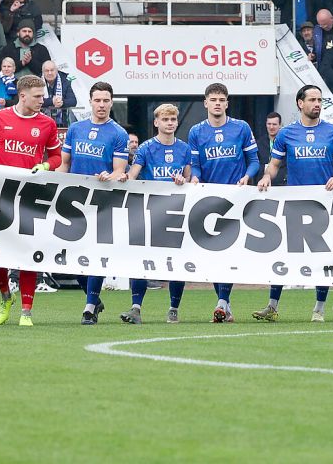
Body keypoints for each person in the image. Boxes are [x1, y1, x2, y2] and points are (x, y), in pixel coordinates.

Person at [0, 74, 62, 326]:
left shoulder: (47, 124)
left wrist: (45, 164)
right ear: (22, 96)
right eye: (37, 96)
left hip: (31, 197)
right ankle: (5, 296)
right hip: (0, 195)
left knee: (27, 253)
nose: (42, 100)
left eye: (42, 96)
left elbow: (56, 157)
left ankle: (26, 311)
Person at [254, 85, 333, 322]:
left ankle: (319, 308)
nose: (317, 104)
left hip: (324, 204)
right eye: (313, 100)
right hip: (294, 202)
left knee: (321, 256)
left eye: (320, 100)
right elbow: (274, 165)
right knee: (284, 254)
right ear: (300, 103)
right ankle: (272, 306)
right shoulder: (286, 134)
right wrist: (267, 176)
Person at [57, 82, 130, 326]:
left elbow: (120, 171)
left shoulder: (118, 133)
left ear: (111, 102)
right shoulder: (76, 129)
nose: (101, 105)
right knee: (70, 260)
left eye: (105, 100)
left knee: (96, 254)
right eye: (97, 100)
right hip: (74, 202)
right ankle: (93, 297)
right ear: (90, 102)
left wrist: (110, 176)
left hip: (102, 203)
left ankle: (90, 307)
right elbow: (64, 165)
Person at [188, 83, 260, 322]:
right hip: (209, 200)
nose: (217, 103)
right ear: (205, 103)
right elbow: (196, 164)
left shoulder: (241, 128)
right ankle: (225, 307)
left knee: (228, 252)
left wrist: (248, 176)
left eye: (222, 99)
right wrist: (196, 176)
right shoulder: (196, 131)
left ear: (227, 103)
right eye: (213, 99)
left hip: (236, 199)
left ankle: (221, 302)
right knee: (214, 255)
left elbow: (254, 161)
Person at [118, 103, 191, 325]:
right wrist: (124, 178)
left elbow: (190, 179)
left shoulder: (184, 149)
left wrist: (183, 181)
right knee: (141, 260)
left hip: (175, 214)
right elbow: (133, 175)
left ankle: (173, 309)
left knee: (177, 262)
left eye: (173, 120)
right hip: (149, 213)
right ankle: (136, 308)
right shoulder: (146, 148)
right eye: (165, 120)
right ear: (156, 122)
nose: (170, 123)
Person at [40, 60, 77, 125]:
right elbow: (33, 101)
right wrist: (52, 101)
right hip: (41, 121)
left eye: (52, 70)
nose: (50, 73)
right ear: (43, 72)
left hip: (62, 121)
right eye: (47, 71)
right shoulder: (38, 81)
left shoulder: (65, 81)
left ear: (57, 71)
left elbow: (73, 101)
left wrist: (61, 102)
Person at [257, 112, 287, 186]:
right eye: (269, 124)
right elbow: (255, 163)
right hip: (263, 185)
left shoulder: (286, 143)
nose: (271, 127)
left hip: (282, 184)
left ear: (280, 125)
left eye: (274, 124)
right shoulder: (259, 143)